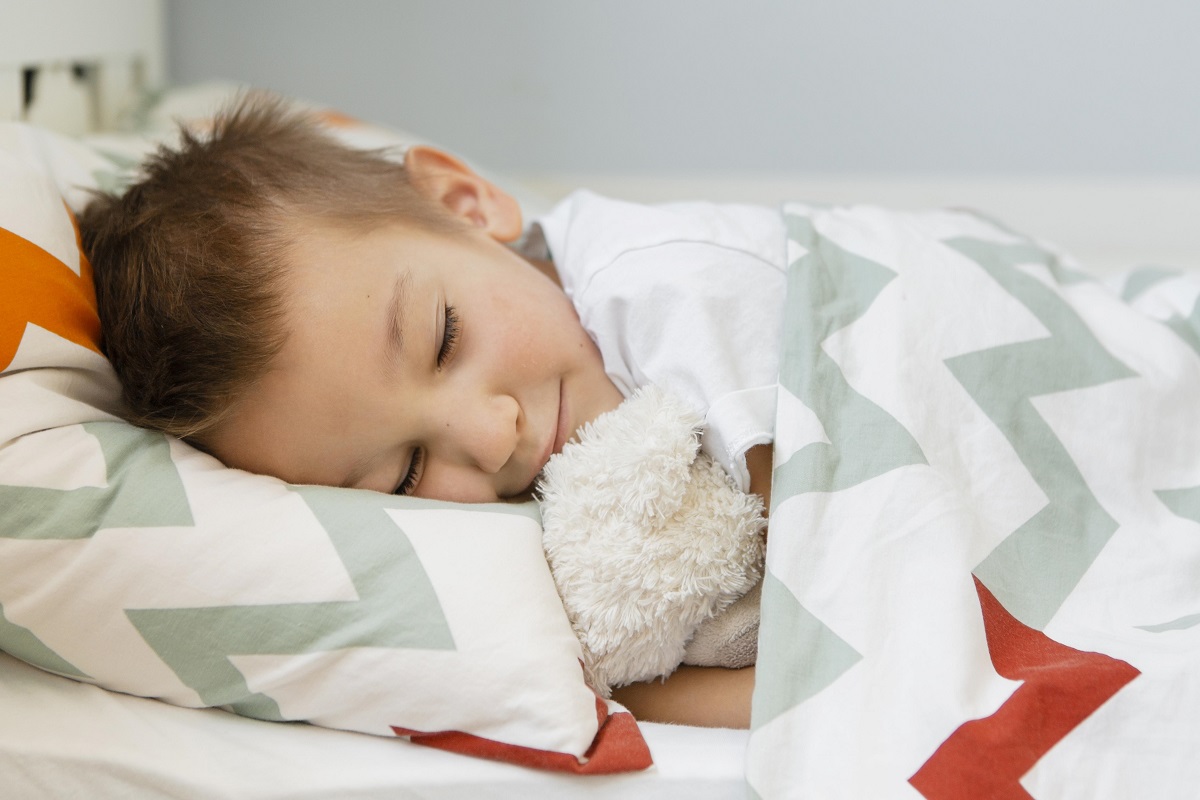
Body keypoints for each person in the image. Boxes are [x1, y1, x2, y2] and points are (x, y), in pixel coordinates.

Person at [81, 94, 779, 728]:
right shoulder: (562, 550)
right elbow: (637, 676)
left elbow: (842, 616)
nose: (492, 435)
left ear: (465, 205)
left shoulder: (674, 291)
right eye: (405, 474)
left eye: (444, 337)